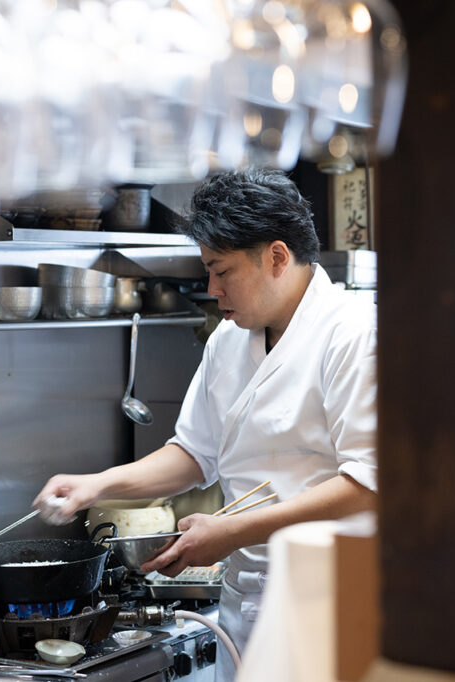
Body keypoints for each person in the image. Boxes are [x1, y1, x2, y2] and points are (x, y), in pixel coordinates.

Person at [33, 167, 378, 680]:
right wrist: (95, 485)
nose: (212, 289)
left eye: (222, 270)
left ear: (277, 257)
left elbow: (367, 483)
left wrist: (231, 530)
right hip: (246, 600)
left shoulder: (354, 333)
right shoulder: (229, 339)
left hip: (330, 595)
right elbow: (195, 454)